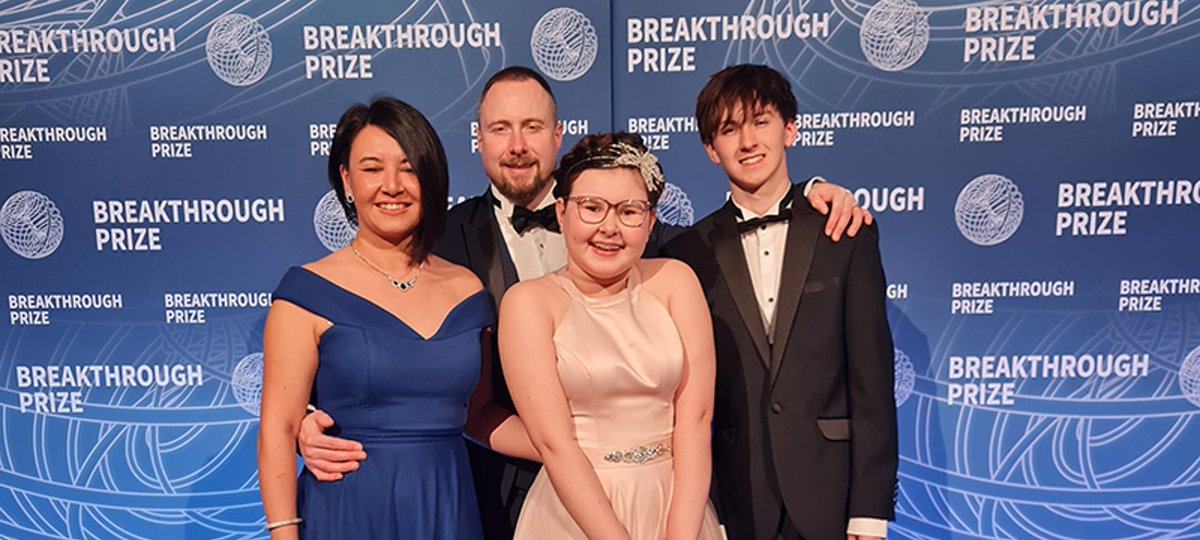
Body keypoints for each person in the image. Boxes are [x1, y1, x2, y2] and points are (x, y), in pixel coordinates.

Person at [294, 66, 873, 538]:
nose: (517, 145)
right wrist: (308, 420)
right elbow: (368, 343)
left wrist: (808, 196)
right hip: (492, 491)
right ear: (478, 139)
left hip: (672, 497)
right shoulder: (435, 244)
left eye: (531, 126)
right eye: (500, 129)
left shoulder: (669, 255)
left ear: (557, 134)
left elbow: (735, 239)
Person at [257, 97, 532, 539]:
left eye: (408, 167)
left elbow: (478, 414)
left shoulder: (468, 289)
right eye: (371, 169)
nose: (392, 185)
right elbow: (278, 428)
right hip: (349, 508)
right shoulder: (305, 293)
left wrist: (578, 447)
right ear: (346, 181)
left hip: (449, 504)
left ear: (431, 176)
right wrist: (284, 533)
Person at [661, 64, 898, 540]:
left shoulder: (845, 232)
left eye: (761, 121)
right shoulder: (685, 255)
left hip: (833, 496)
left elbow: (872, 380)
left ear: (790, 129)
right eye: (729, 129)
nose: (747, 141)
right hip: (737, 499)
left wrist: (869, 513)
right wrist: (713, 512)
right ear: (711, 149)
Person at [499, 132, 724, 539]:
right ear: (562, 211)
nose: (610, 227)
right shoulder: (528, 303)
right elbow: (555, 444)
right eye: (592, 208)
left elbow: (696, 418)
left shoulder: (675, 281)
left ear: (651, 220)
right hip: (575, 513)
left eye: (629, 211)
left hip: (677, 505)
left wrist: (681, 534)